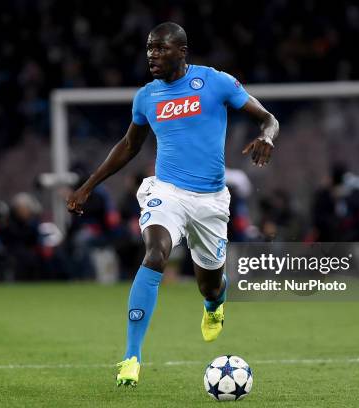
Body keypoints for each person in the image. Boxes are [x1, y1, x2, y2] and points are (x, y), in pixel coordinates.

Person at [66, 22, 279, 387]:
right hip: (167, 191)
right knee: (156, 252)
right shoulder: (147, 97)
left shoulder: (216, 82)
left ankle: (214, 307)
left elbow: (268, 118)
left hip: (211, 200)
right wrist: (88, 186)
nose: (152, 55)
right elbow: (129, 146)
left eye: (161, 49)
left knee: (210, 285)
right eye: (149, 49)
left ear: (182, 52)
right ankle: (131, 356)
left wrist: (267, 137)